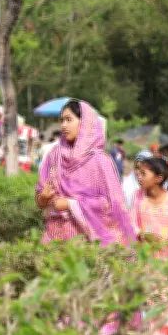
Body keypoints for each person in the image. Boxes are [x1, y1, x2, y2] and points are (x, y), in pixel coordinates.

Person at [36, 99, 135, 246]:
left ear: (84, 123)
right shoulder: (54, 156)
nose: (63, 125)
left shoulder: (99, 161)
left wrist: (70, 204)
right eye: (62, 120)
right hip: (54, 238)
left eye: (69, 120)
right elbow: (40, 198)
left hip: (87, 243)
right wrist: (43, 197)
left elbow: (111, 204)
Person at [130, 157, 168, 335]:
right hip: (146, 261)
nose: (138, 177)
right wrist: (142, 234)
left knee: (166, 298)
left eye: (143, 174)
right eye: (138, 173)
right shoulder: (138, 198)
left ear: (158, 178)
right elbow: (132, 224)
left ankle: (165, 334)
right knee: (150, 299)